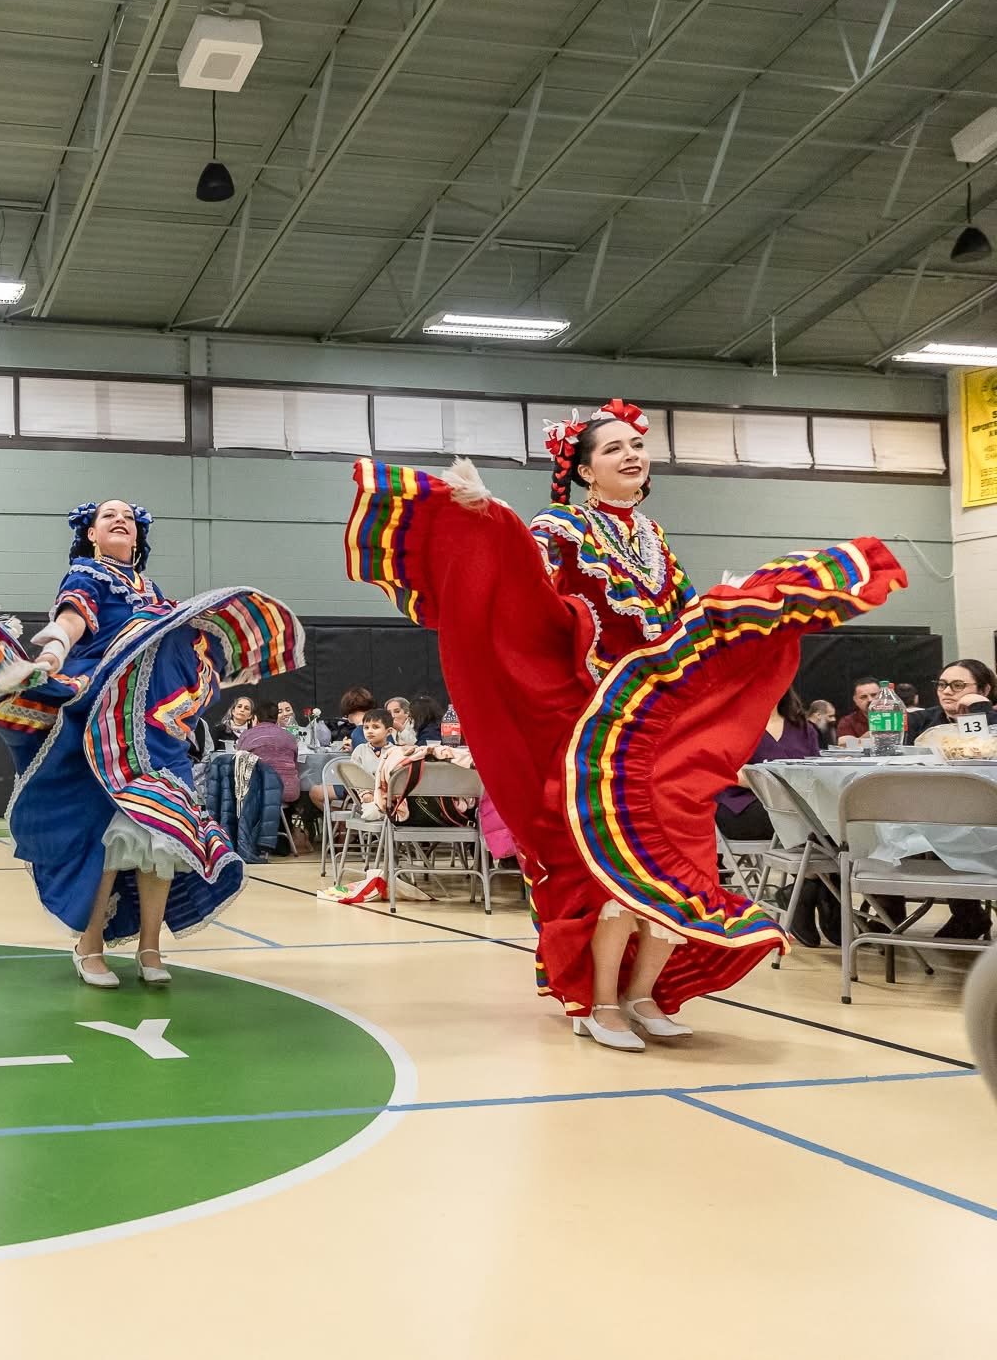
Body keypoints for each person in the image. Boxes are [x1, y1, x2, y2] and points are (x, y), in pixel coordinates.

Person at [345, 397, 905, 1051]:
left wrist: (729, 618)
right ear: (585, 470)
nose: (631, 455)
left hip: (655, 721)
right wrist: (492, 519)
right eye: (613, 448)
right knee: (602, 869)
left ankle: (645, 993)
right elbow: (526, 595)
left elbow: (679, 625)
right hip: (586, 719)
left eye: (636, 446)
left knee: (683, 854)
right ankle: (599, 1000)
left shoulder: (654, 537)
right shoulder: (561, 528)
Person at [0, 500, 304, 988]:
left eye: (129, 518)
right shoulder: (87, 574)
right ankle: (88, 946)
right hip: (109, 727)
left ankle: (150, 948)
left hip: (162, 732)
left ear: (138, 537)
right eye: (107, 515)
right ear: (90, 534)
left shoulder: (154, 592)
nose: (120, 520)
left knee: (164, 837)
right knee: (109, 842)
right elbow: (72, 619)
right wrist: (51, 655)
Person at [716, 688, 834, 946]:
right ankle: (819, 894)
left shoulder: (803, 726)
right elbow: (724, 772)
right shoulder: (733, 724)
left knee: (834, 821)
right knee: (819, 824)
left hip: (798, 808)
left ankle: (809, 892)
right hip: (744, 807)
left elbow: (814, 770)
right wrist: (774, 782)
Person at [238, 703, 312, 854]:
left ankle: (254, 839)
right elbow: (295, 763)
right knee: (281, 797)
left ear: (255, 718)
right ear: (275, 717)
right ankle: (283, 841)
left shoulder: (248, 735)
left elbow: (240, 762)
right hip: (290, 791)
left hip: (261, 790)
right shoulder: (290, 736)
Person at [908, 659, 995, 742]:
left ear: (984, 690)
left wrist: (981, 710)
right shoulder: (917, 719)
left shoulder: (993, 719)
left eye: (958, 685)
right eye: (942, 684)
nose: (946, 691)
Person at [836, 677, 882, 746]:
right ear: (855, 700)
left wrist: (858, 741)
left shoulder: (896, 716)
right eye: (863, 697)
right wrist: (872, 734)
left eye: (874, 695)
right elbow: (844, 745)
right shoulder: (847, 721)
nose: (870, 700)